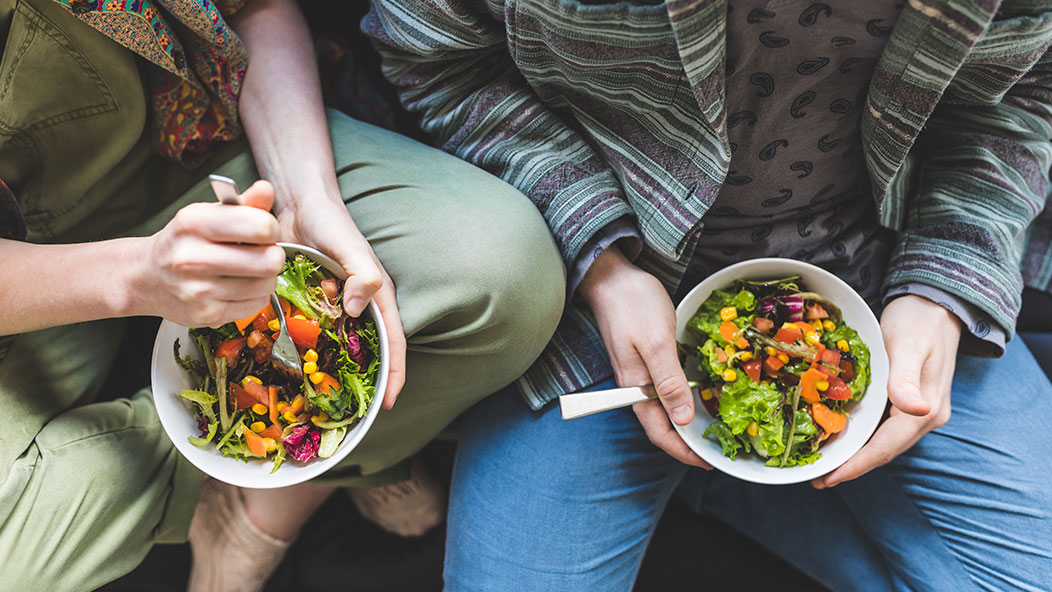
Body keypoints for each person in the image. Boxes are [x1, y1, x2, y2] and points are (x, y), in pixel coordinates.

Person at [363, 0, 1052, 590]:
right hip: (589, 293)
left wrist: (942, 284)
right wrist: (603, 264)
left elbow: (1023, 91)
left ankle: (719, 479)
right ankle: (717, 474)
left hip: (878, 265)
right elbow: (434, 57)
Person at [0, 1, 564, 590]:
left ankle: (273, 488)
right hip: (22, 286)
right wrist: (133, 276)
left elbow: (255, 7)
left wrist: (302, 199)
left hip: (195, 141)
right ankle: (263, 479)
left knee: (505, 272)